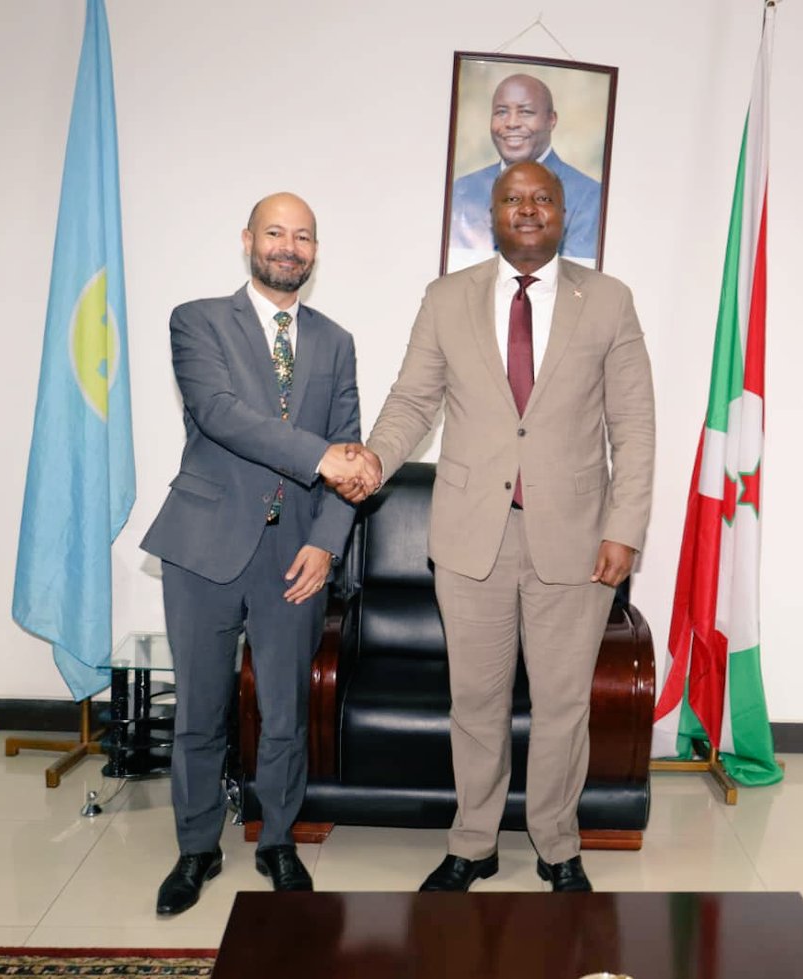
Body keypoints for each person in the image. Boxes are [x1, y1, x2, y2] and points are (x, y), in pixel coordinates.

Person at [337, 162, 654, 892]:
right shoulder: (447, 298)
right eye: (514, 198)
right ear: (493, 214)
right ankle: (473, 842)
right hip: (470, 538)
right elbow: (413, 399)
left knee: (562, 704)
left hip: (574, 539)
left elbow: (634, 425)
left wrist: (625, 527)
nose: (529, 208)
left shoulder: (607, 301)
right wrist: (375, 460)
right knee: (474, 701)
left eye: (543, 197)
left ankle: (557, 844)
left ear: (564, 212)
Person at [141, 192, 368, 913]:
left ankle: (276, 841)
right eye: (276, 232)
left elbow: (350, 445)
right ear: (248, 238)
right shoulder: (197, 319)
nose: (288, 247)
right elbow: (221, 415)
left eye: (303, 236)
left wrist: (328, 543)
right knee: (200, 711)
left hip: (294, 556)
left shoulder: (336, 341)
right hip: (205, 548)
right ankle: (196, 848)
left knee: (284, 713)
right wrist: (324, 459)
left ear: (316, 251)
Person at [449, 74, 602, 269]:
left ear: (551, 120)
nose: (511, 123)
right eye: (501, 112)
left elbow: (575, 281)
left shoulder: (588, 196)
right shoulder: (463, 191)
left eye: (526, 112)